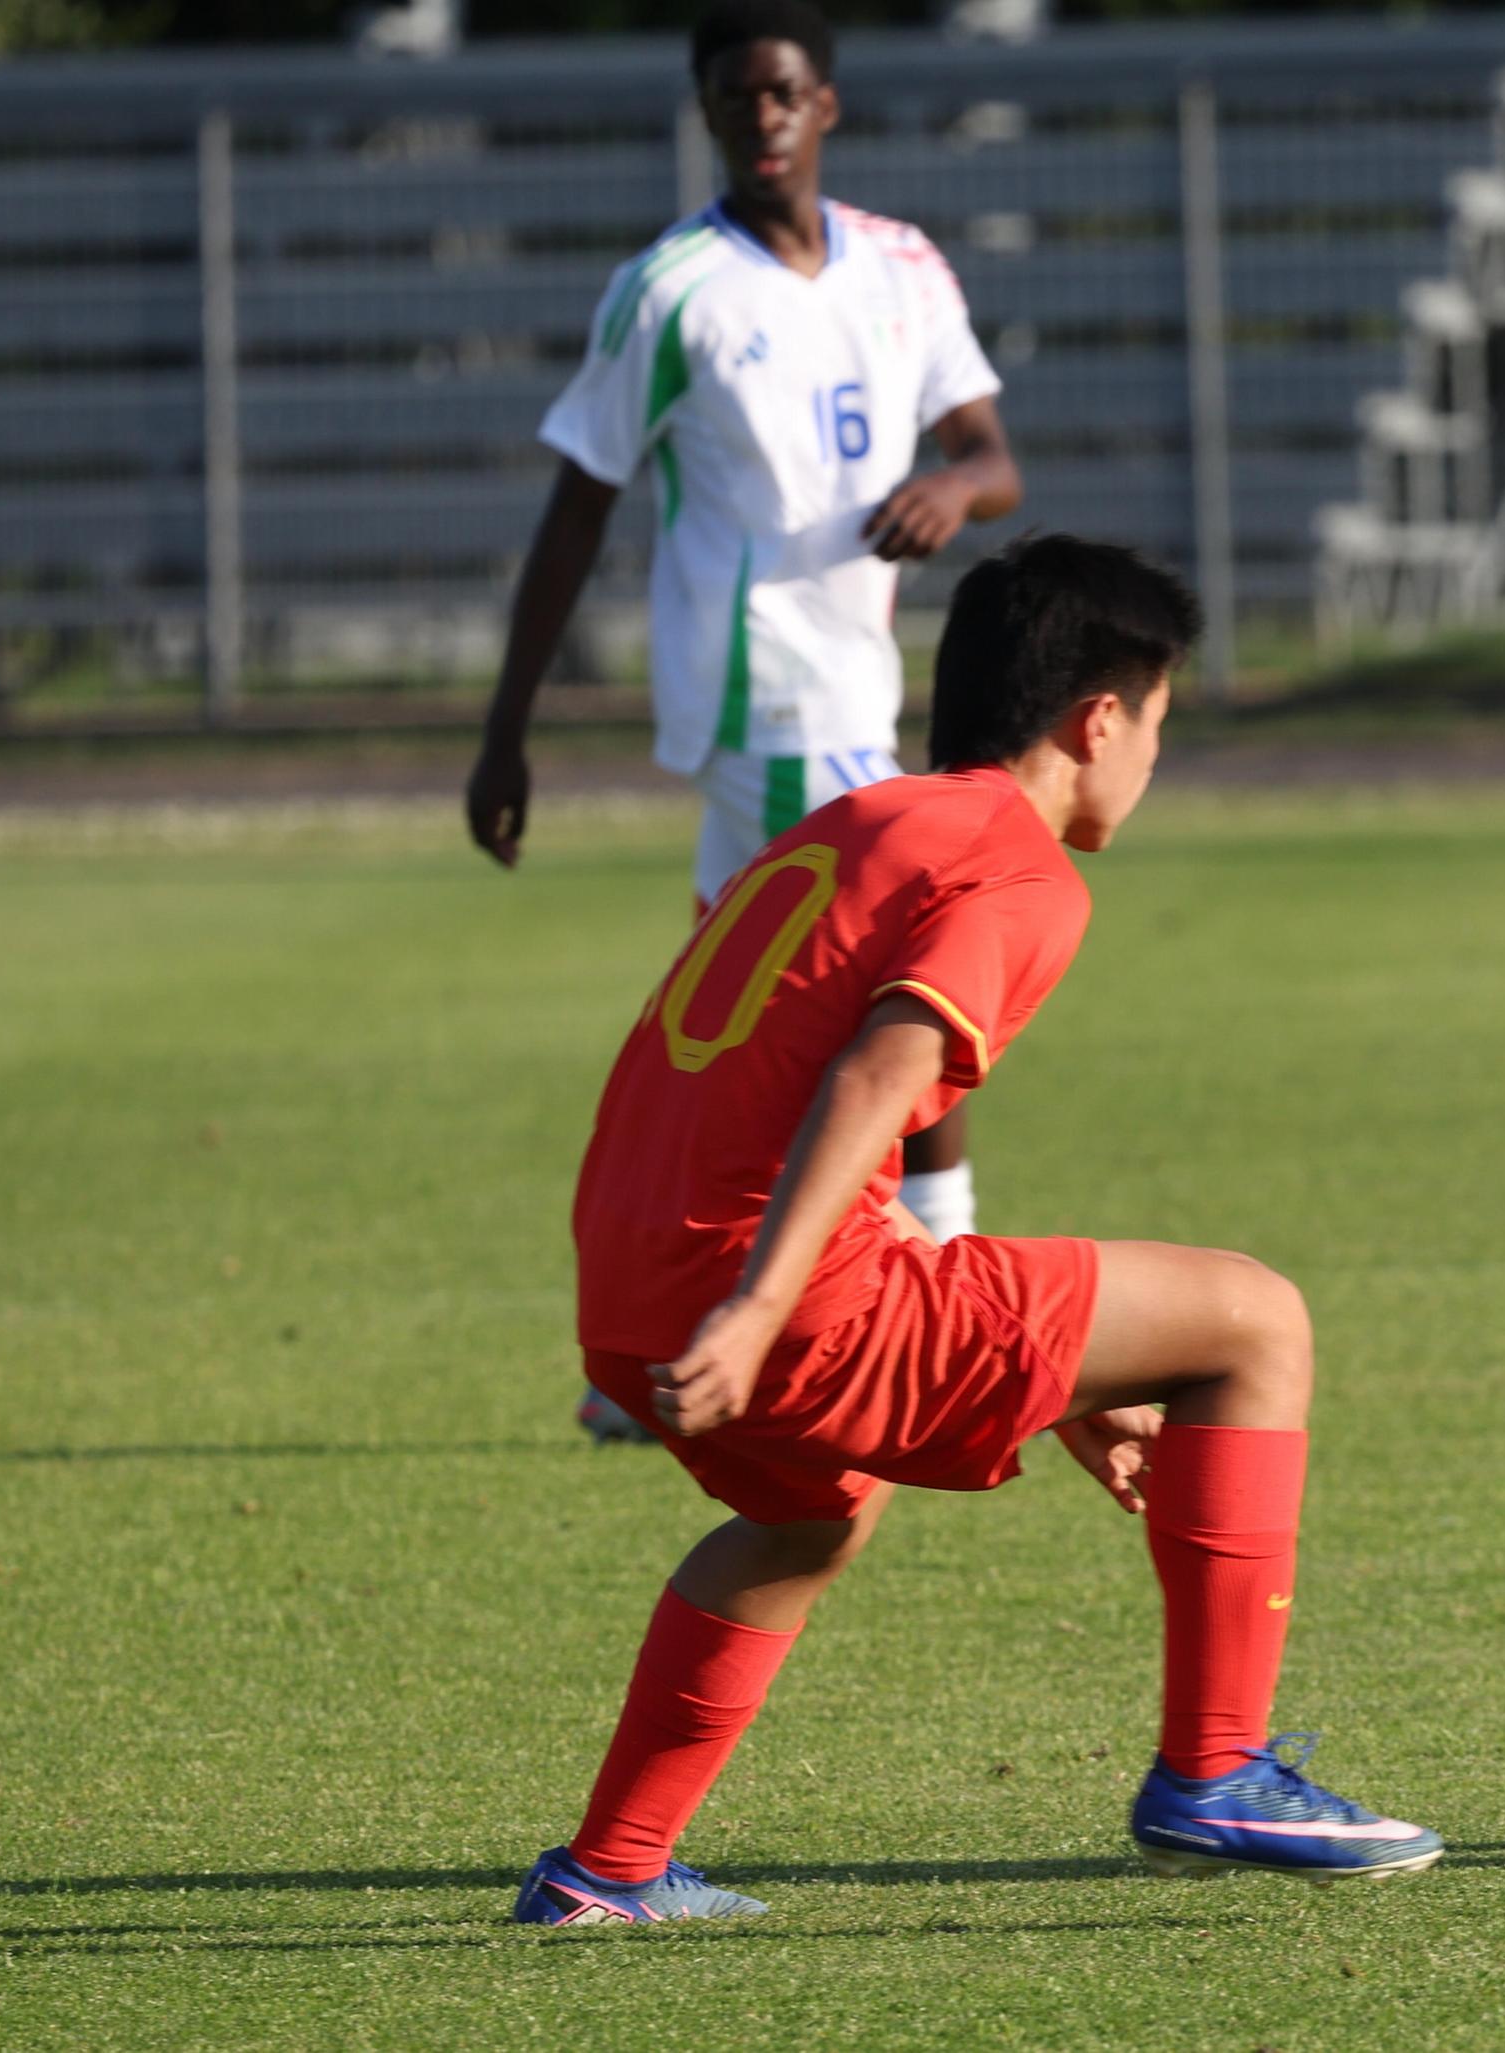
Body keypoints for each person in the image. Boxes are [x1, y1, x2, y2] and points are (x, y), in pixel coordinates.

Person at [512, 535, 1439, 1926]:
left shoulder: (861, 823)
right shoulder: (1019, 868)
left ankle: (608, 1871)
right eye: (1162, 724)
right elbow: (879, 1076)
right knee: (1255, 1320)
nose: (1153, 761)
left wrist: (1060, 1384)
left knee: (806, 1511)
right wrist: (764, 1310)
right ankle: (1218, 1769)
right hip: (759, 1296)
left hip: (634, 1289)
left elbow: (757, 1097)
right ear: (1100, 718)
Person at [464, 0, 1023, 1444]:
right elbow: (579, 502)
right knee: (887, 981)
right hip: (759, 700)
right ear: (711, 117)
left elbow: (990, 450)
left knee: (746, 1017)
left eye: (779, 92)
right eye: (731, 101)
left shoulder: (902, 267)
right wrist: (506, 724)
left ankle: (678, 1334)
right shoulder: (670, 293)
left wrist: (955, 494)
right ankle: (927, 1285)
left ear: (824, 102)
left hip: (858, 687)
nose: (759, 118)